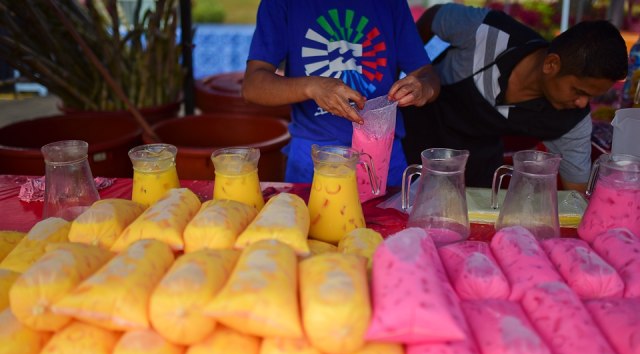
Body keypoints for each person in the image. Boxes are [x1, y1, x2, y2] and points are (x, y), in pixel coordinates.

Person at [401, 3, 628, 192]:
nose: (582, 103)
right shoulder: (485, 31)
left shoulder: (573, 121)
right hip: (412, 144)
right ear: (552, 64)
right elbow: (434, 17)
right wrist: (416, 67)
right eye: (579, 91)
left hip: (477, 166)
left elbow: (576, 195)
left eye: (591, 96)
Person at [241, 0, 440, 185]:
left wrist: (424, 88)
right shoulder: (283, 4)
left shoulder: (391, 3)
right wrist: (311, 86)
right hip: (313, 159)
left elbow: (426, 75)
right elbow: (253, 86)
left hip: (384, 158)